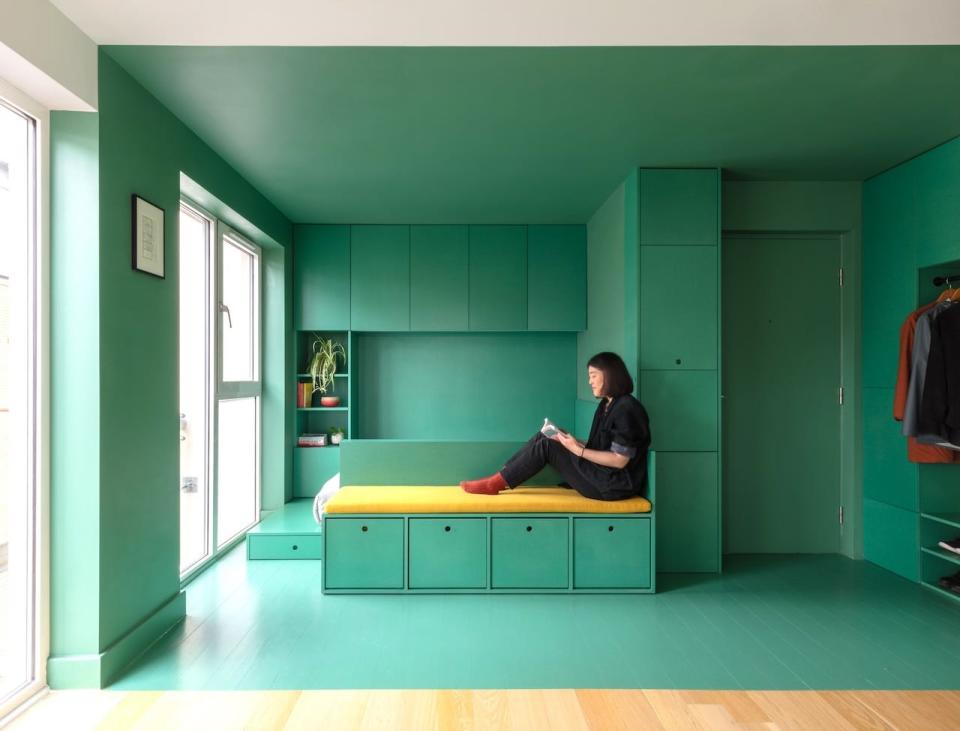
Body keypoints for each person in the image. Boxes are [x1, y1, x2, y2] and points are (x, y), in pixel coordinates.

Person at [459, 352, 651, 500]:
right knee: (547, 436)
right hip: (602, 475)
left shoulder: (627, 408)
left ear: (610, 375)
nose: (589, 381)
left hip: (614, 486)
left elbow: (619, 460)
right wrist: (573, 442)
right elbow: (602, 447)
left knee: (548, 446)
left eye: (593, 375)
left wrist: (578, 451)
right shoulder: (607, 404)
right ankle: (502, 475)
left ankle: (495, 484)